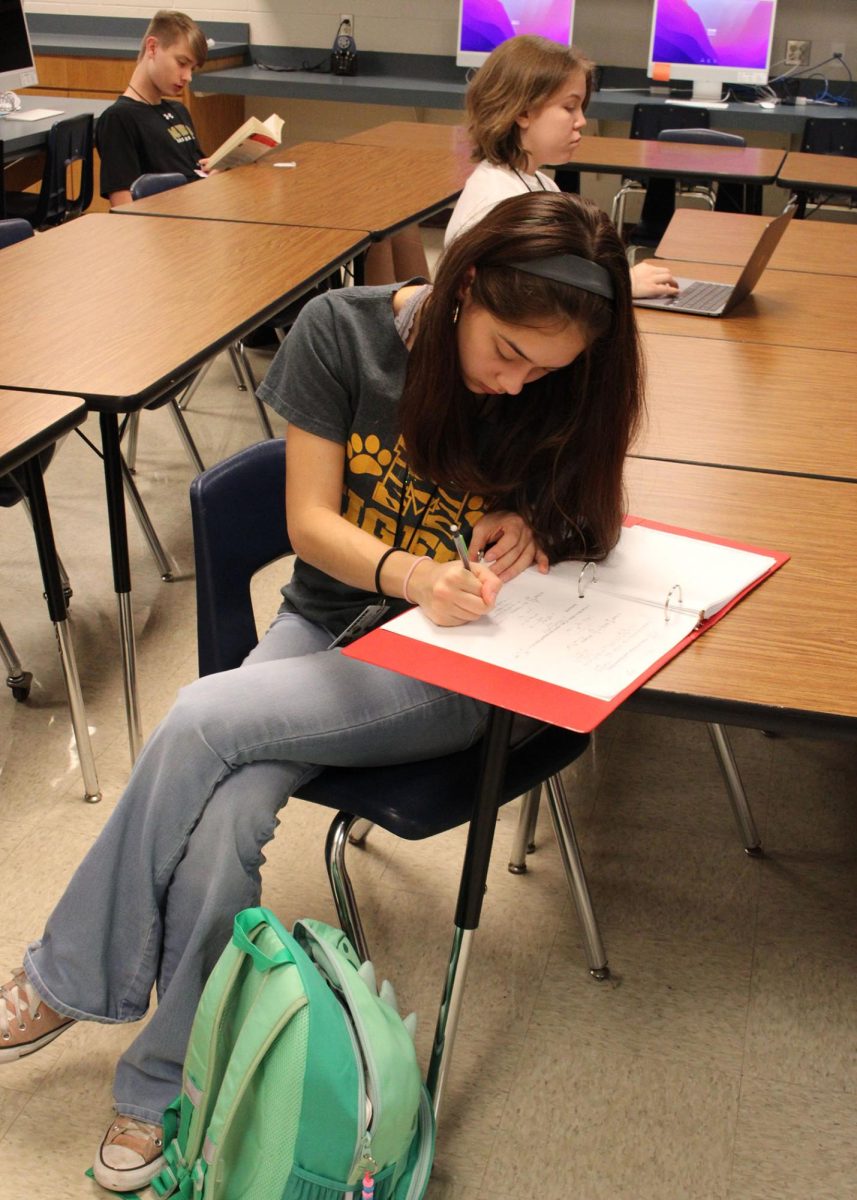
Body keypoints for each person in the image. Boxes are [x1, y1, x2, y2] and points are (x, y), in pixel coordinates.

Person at [0, 190, 643, 1193]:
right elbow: (307, 523)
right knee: (224, 818)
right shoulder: (343, 332)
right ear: (461, 286)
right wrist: (408, 572)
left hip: (449, 662)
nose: (517, 386)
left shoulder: (556, 384)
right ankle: (166, 1086)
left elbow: (588, 519)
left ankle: (63, 977)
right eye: (507, 353)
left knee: (200, 714)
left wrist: (532, 529)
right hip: (332, 615)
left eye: (542, 372)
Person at [445, 35, 679, 300]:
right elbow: (530, 300)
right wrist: (621, 285)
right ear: (522, 112)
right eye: (569, 107)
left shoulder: (542, 184)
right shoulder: (498, 203)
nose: (581, 121)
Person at [96, 10, 210, 208]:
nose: (187, 77)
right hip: (164, 229)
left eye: (192, 69)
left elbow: (198, 172)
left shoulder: (178, 110)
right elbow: (123, 208)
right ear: (152, 47)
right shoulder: (119, 119)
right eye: (182, 63)